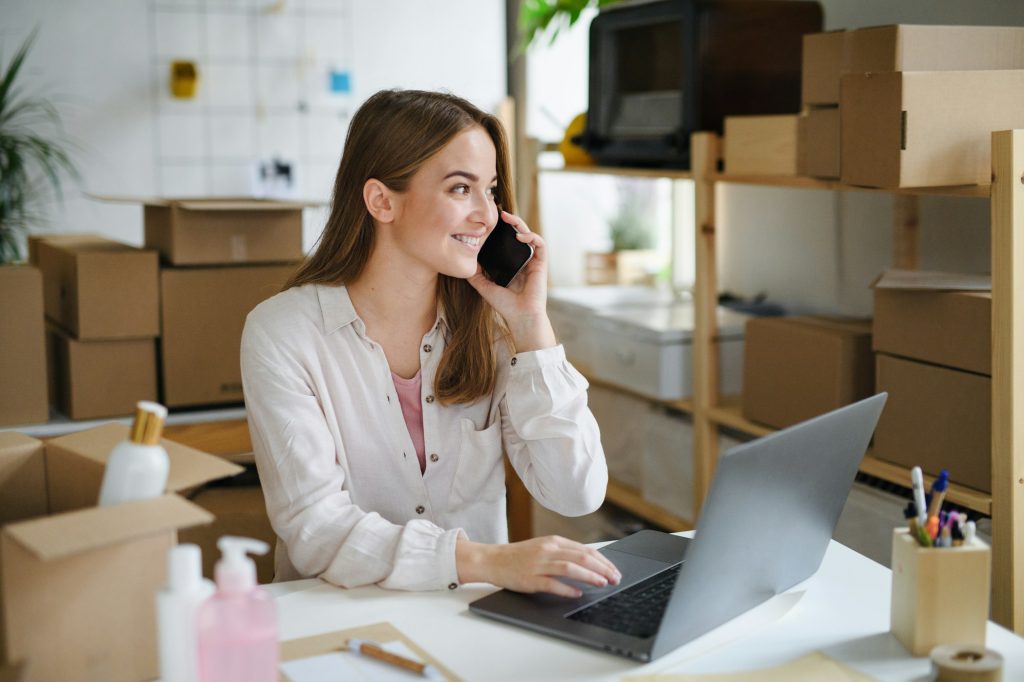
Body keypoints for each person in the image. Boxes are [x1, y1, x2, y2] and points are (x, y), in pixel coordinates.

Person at [241, 89, 619, 598]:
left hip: (466, 619)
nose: (487, 216)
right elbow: (315, 531)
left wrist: (533, 330)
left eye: (491, 190)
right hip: (336, 618)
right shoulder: (283, 332)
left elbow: (576, 493)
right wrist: (488, 561)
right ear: (381, 200)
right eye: (461, 189)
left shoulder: (494, 327)